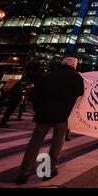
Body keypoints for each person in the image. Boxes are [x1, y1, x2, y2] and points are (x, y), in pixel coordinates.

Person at [15, 57, 84, 185]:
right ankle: (50, 170)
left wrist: (38, 109)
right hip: (62, 115)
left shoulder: (48, 75)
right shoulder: (76, 77)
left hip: (44, 113)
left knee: (34, 143)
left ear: (62, 64)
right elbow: (80, 93)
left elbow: (36, 94)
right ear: (74, 65)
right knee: (57, 143)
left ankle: (24, 172)